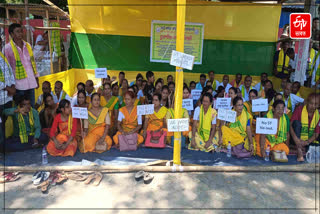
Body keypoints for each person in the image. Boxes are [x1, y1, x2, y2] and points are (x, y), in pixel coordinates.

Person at [5, 23, 39, 107]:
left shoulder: (28, 46)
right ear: (12, 34)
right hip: (18, 85)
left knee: (31, 108)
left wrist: (36, 78)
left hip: (31, 82)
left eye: (21, 31)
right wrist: (10, 85)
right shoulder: (7, 48)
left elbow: (33, 62)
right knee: (20, 109)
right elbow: (7, 68)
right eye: (17, 32)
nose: (20, 33)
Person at [290, 93, 320, 161]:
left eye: (315, 104)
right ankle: (298, 148)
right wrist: (296, 140)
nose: (313, 106)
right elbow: (290, 125)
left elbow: (316, 133)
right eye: (311, 103)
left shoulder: (318, 115)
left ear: (318, 105)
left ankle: (301, 147)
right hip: (295, 138)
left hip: (308, 141)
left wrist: (307, 142)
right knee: (297, 123)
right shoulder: (299, 109)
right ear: (307, 102)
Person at [0, 38, 16, 144]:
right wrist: (7, 87)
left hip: (8, 97)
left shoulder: (2, 56)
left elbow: (10, 72)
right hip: (1, 96)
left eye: (0, 43)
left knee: (4, 122)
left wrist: (13, 86)